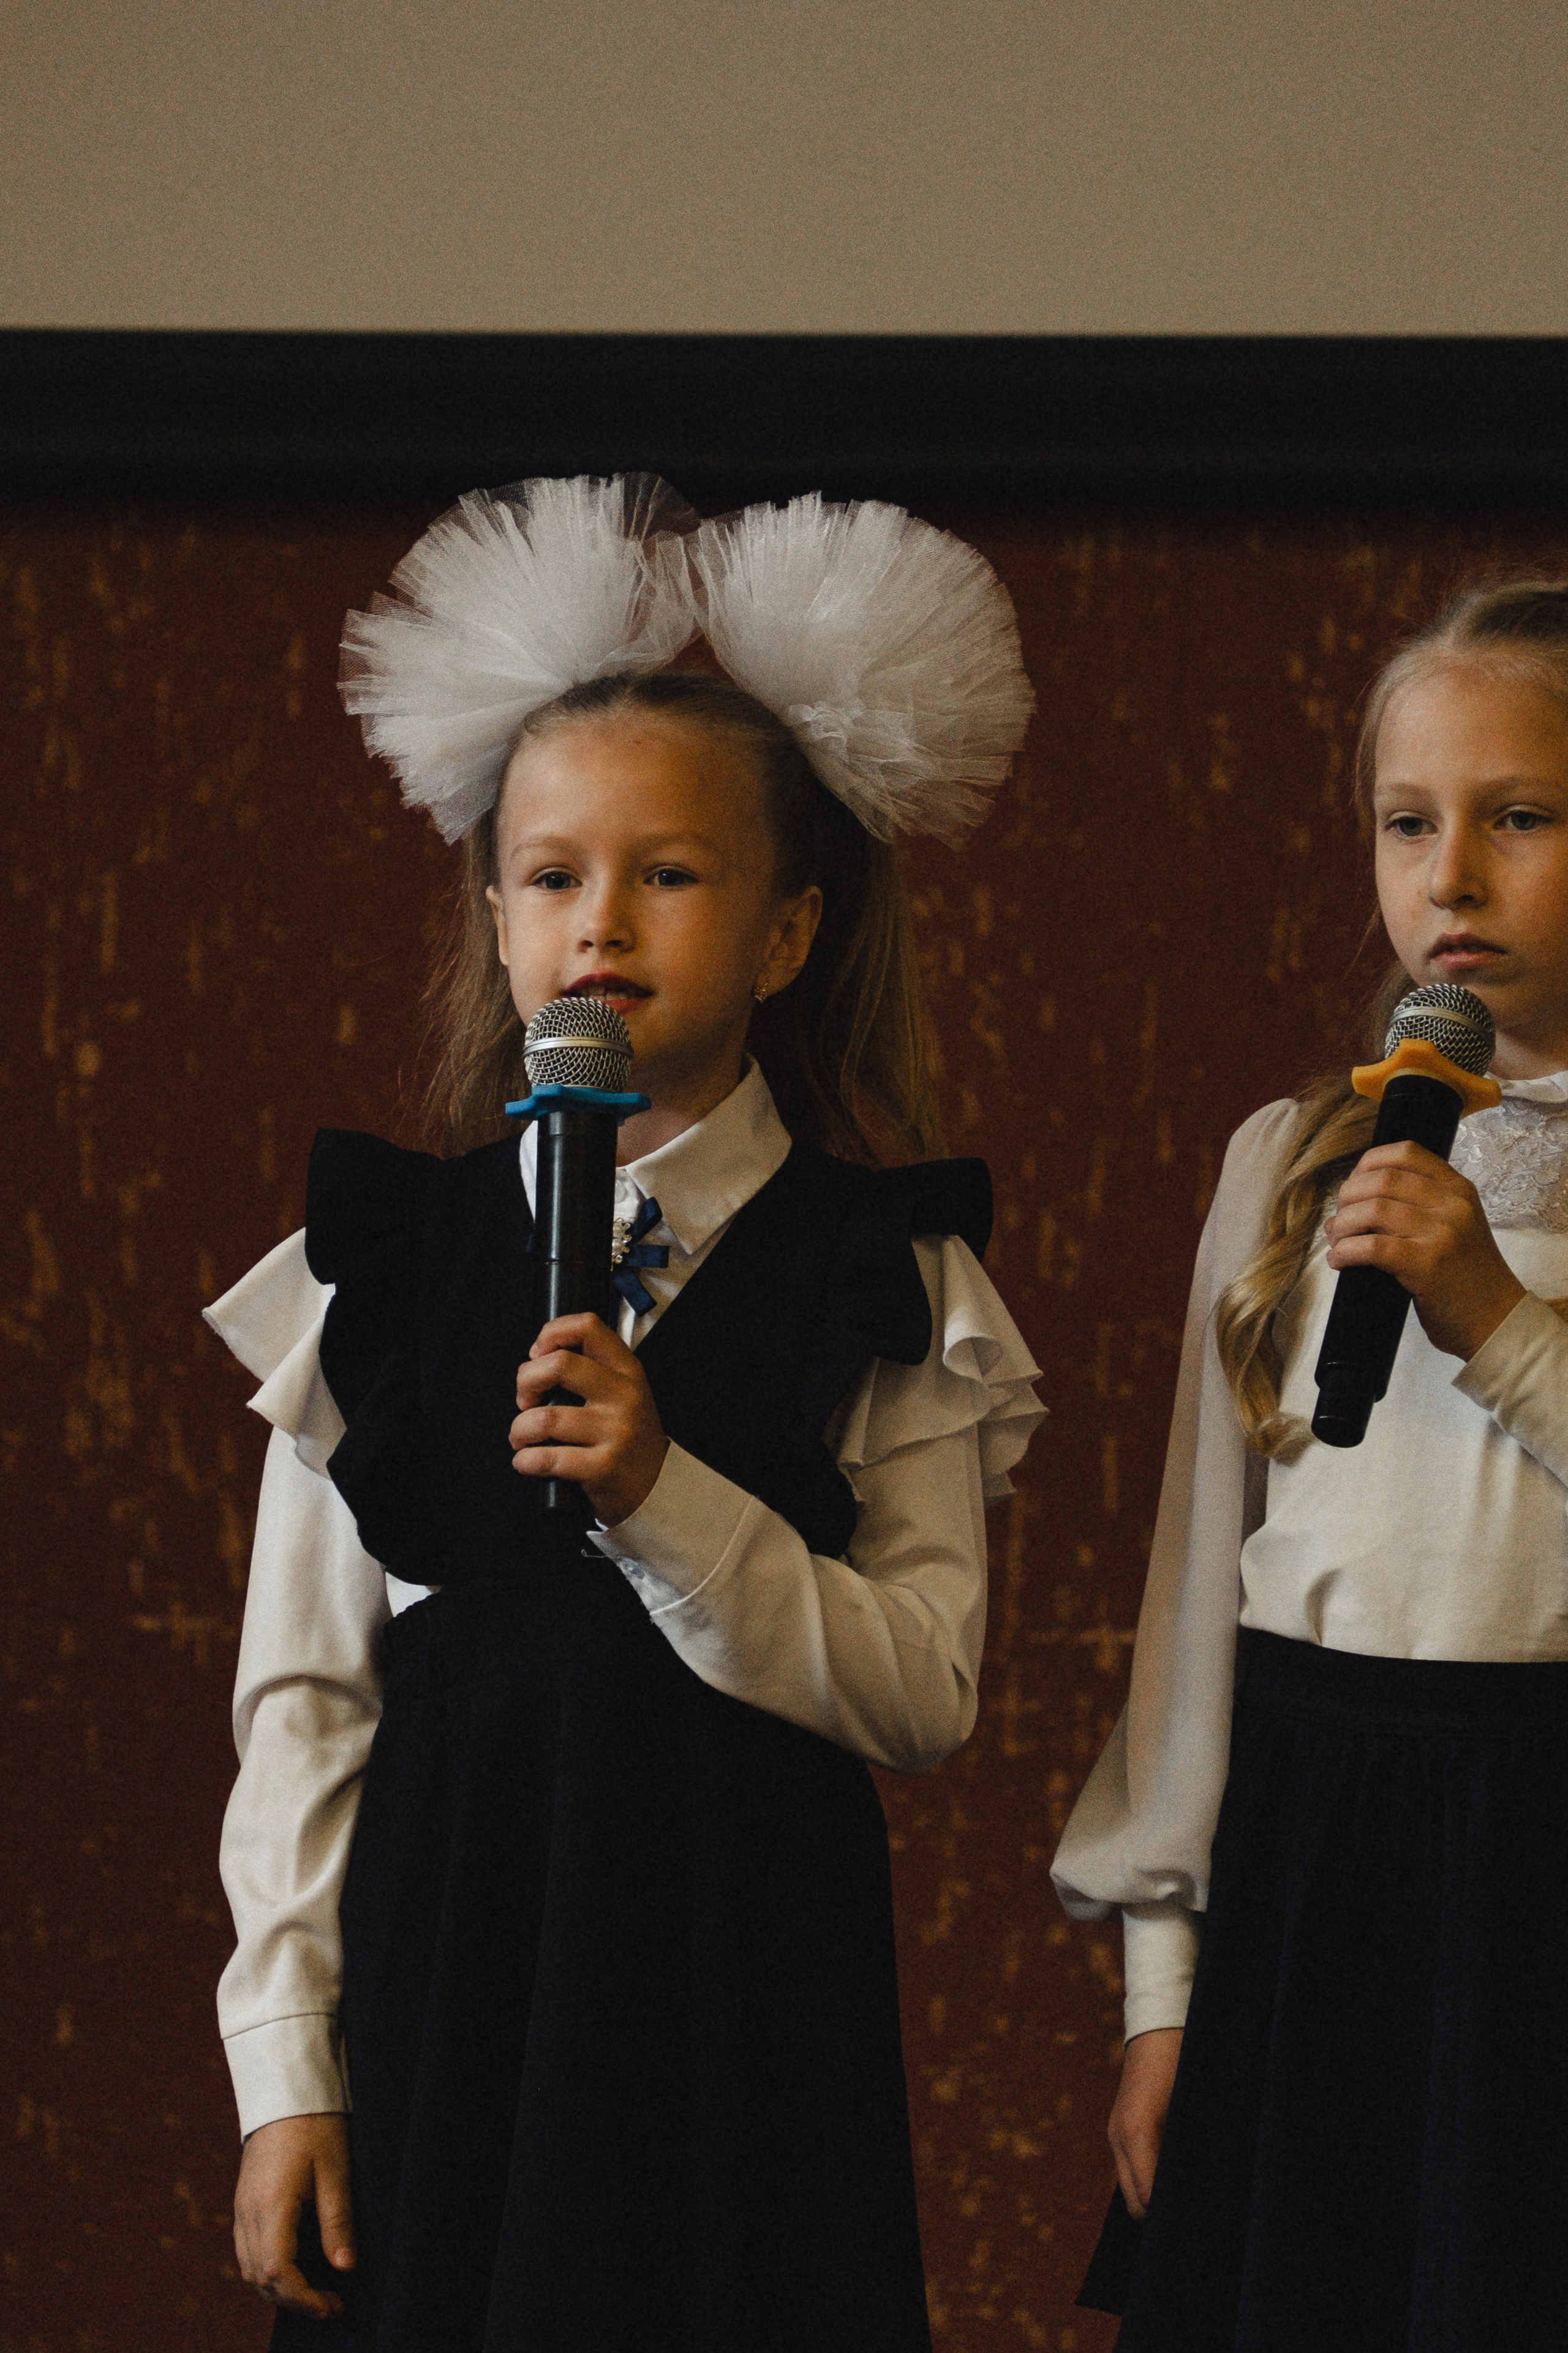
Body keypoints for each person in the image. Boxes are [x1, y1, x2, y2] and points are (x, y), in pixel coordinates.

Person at [205, 475, 1044, 2353]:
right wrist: (285, 2062)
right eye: (552, 874)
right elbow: (308, 1694)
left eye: (668, 875)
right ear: (496, 913)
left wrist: (673, 1498)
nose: (602, 922)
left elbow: (925, 1685)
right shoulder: (390, 1269)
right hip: (450, 2002)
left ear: (787, 930)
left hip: (743, 2014)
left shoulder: (883, 1275)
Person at [1053, 579, 1568, 2350]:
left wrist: (1491, 1311)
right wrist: (1164, 1981)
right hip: (1321, 1831)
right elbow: (1198, 1585)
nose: (1454, 877)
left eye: (1522, 817)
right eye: (1409, 824)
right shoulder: (1292, 1157)